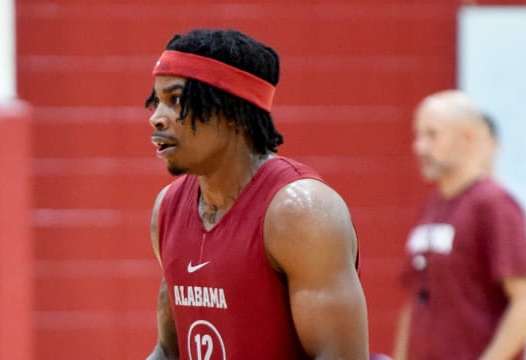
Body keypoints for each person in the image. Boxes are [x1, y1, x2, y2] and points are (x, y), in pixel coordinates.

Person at [144, 29, 369, 359]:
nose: (156, 118)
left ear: (232, 112)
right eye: (157, 102)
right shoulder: (167, 208)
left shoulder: (301, 212)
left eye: (176, 100)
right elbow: (168, 349)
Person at [393, 90, 526, 360]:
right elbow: (414, 302)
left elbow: (523, 299)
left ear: (466, 137)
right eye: (417, 136)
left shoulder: (494, 205)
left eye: (432, 135)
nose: (420, 147)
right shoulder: (432, 206)